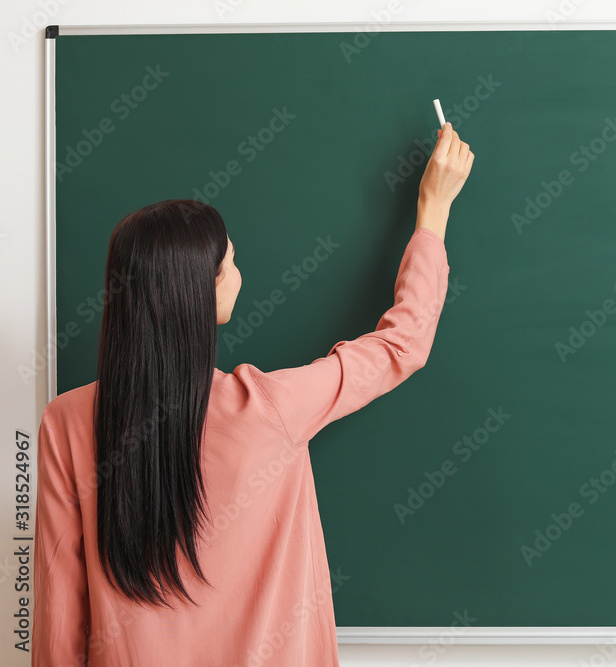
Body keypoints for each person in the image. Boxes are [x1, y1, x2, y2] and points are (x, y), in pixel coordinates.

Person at [32, 123, 473, 666]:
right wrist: (433, 212)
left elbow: (58, 618)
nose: (239, 274)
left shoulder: (66, 421)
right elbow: (402, 345)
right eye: (230, 265)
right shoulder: (272, 409)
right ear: (202, 295)